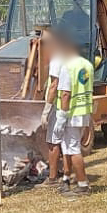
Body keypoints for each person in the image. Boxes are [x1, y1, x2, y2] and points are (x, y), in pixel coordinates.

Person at [52, 28, 94, 198]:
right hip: (84, 111)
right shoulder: (87, 65)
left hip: (71, 113)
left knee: (73, 149)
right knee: (68, 148)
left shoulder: (66, 67)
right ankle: (66, 179)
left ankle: (83, 184)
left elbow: (66, 94)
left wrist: (61, 118)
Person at [41, 30, 70, 190]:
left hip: (59, 107)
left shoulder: (57, 60)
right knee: (67, 143)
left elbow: (54, 85)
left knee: (53, 143)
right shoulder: (71, 59)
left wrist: (46, 109)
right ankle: (66, 174)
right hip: (70, 108)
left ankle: (52, 178)